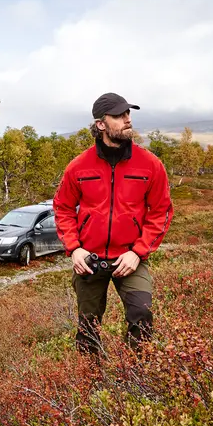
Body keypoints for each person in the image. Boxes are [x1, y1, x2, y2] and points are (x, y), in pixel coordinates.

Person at [53, 92, 173, 357]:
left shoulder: (150, 165)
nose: (127, 119)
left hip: (130, 257)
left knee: (142, 315)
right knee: (88, 327)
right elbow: (62, 208)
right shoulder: (78, 166)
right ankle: (91, 382)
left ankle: (136, 378)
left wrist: (138, 252)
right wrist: (74, 249)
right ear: (101, 124)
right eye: (119, 115)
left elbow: (161, 211)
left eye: (128, 113)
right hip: (89, 259)